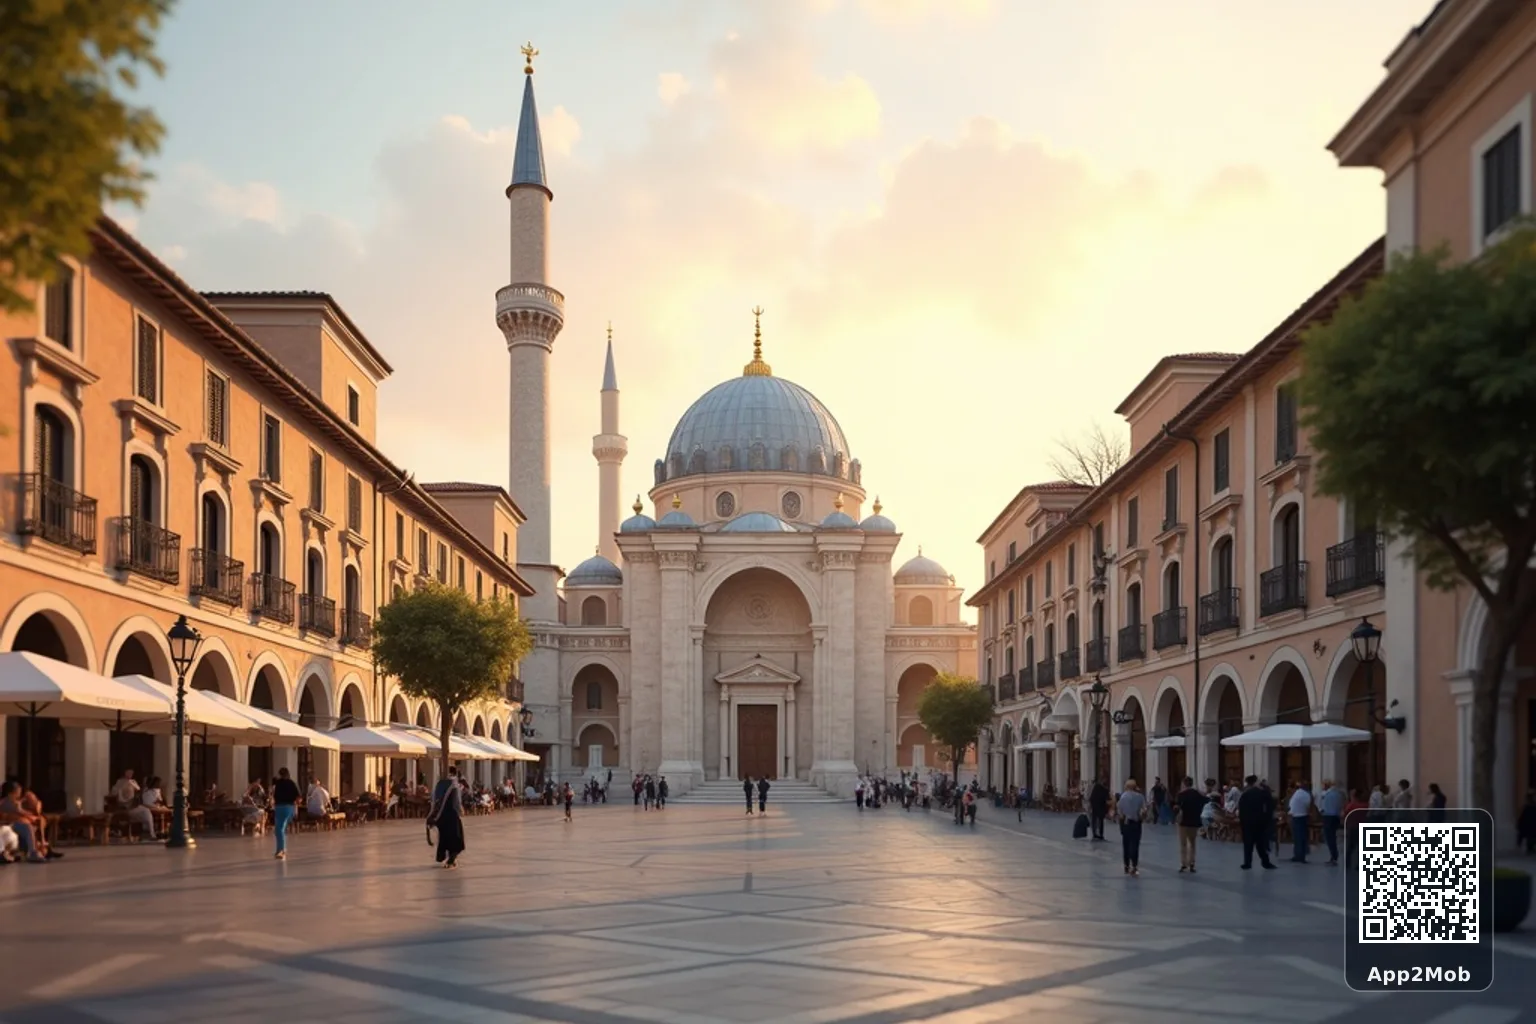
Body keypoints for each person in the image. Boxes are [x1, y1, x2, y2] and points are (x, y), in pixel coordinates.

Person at [427, 767, 466, 867]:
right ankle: (451, 859)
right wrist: (460, 810)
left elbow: (433, 799)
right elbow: (457, 801)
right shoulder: (454, 785)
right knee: (455, 837)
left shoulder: (439, 784)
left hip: (441, 816)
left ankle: (446, 858)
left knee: (444, 837)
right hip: (452, 815)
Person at [1237, 775, 1276, 870]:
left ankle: (1247, 863)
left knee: (1248, 844)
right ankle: (1265, 862)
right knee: (1261, 844)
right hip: (1260, 822)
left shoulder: (1245, 794)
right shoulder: (1263, 793)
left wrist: (1242, 822)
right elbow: (1270, 807)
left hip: (1248, 823)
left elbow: (1241, 809)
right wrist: (1267, 820)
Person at [1174, 776, 1206, 873]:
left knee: (1183, 843)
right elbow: (1206, 801)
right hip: (1194, 821)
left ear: (1184, 783)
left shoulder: (1181, 795)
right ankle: (1192, 863)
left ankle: (1184, 864)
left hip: (1183, 822)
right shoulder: (1197, 794)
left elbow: (1176, 807)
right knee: (1192, 843)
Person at [271, 768, 301, 860]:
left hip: (283, 807)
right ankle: (280, 849)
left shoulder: (281, 783)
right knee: (279, 829)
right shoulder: (290, 783)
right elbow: (299, 797)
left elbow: (273, 792)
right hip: (285, 807)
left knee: (279, 829)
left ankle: (281, 850)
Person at [1117, 780, 1147, 875]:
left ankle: (1126, 865)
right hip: (1136, 822)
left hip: (1126, 822)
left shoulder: (1123, 797)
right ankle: (1134, 865)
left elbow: (1120, 811)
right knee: (1135, 843)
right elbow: (1144, 809)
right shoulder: (1140, 797)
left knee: (1126, 843)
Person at [1317, 779, 1345, 866]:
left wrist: (1321, 811)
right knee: (1333, 836)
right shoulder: (1339, 794)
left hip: (1328, 816)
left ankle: (1333, 856)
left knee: (1329, 838)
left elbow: (1321, 806)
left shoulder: (1325, 794)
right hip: (1335, 817)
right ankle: (1334, 856)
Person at [1288, 781, 1313, 864]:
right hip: (1304, 816)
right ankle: (1302, 855)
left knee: (1297, 838)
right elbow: (1308, 805)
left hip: (1296, 817)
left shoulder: (1296, 794)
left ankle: (1297, 855)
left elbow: (1291, 805)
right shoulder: (1307, 795)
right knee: (1303, 837)